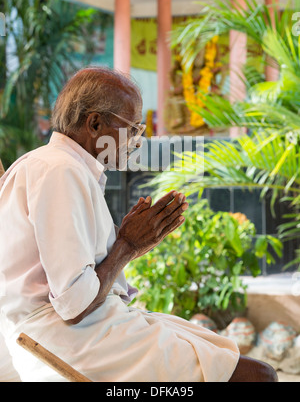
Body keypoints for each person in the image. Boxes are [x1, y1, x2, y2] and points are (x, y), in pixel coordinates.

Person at [0, 67, 277, 382]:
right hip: (69, 340)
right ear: (94, 123)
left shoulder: (54, 166)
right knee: (258, 377)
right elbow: (74, 306)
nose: (136, 141)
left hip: (85, 330)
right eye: (133, 128)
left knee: (230, 358)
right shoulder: (60, 171)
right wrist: (127, 245)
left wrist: (132, 241)